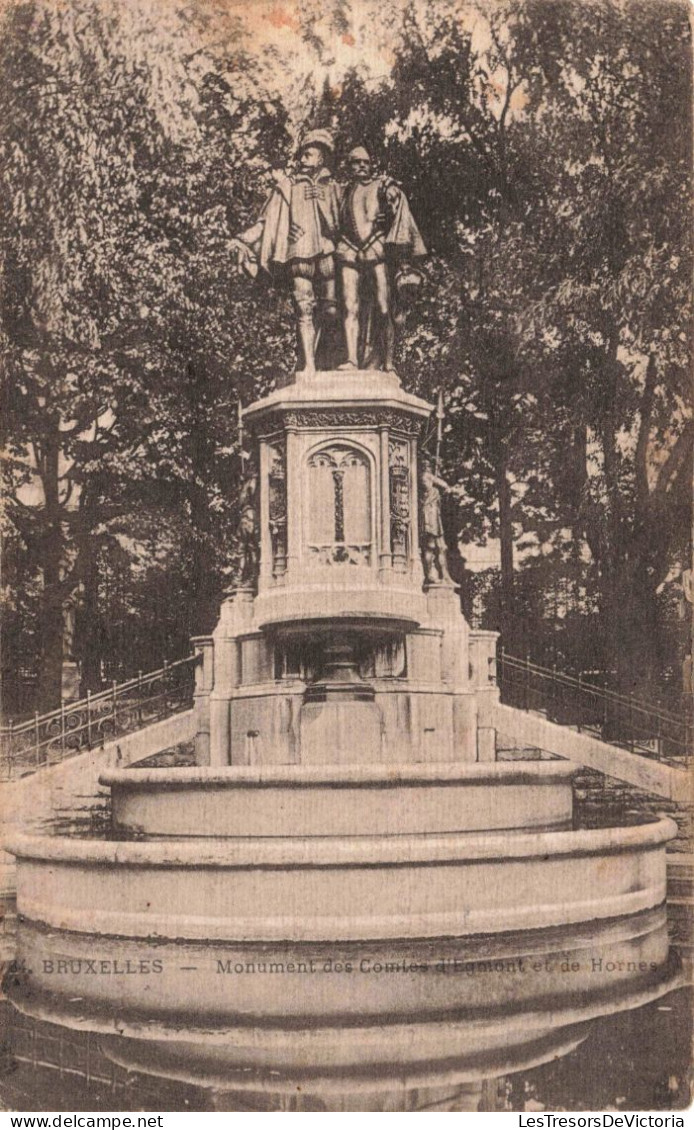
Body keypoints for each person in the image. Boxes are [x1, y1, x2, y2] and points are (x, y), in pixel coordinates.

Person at [230, 130, 341, 376]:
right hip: (298, 252)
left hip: (327, 252)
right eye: (302, 154)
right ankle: (309, 366)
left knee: (331, 311)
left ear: (321, 159)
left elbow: (347, 221)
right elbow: (264, 223)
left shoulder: (333, 187)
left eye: (309, 155)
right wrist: (242, 239)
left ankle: (322, 360)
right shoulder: (287, 186)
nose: (303, 159)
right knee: (304, 308)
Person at [336, 146, 426, 371]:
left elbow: (399, 214)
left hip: (376, 249)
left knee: (384, 307)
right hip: (348, 250)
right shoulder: (343, 192)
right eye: (357, 162)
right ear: (349, 166)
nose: (362, 166)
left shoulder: (382, 185)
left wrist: (391, 201)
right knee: (349, 307)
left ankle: (388, 361)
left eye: (366, 162)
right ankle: (351, 359)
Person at [420, 458, 454, 584]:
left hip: (434, 515)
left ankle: (445, 576)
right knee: (430, 546)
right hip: (430, 515)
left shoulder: (426, 477)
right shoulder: (426, 476)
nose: (429, 467)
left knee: (442, 547)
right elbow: (445, 486)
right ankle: (429, 575)